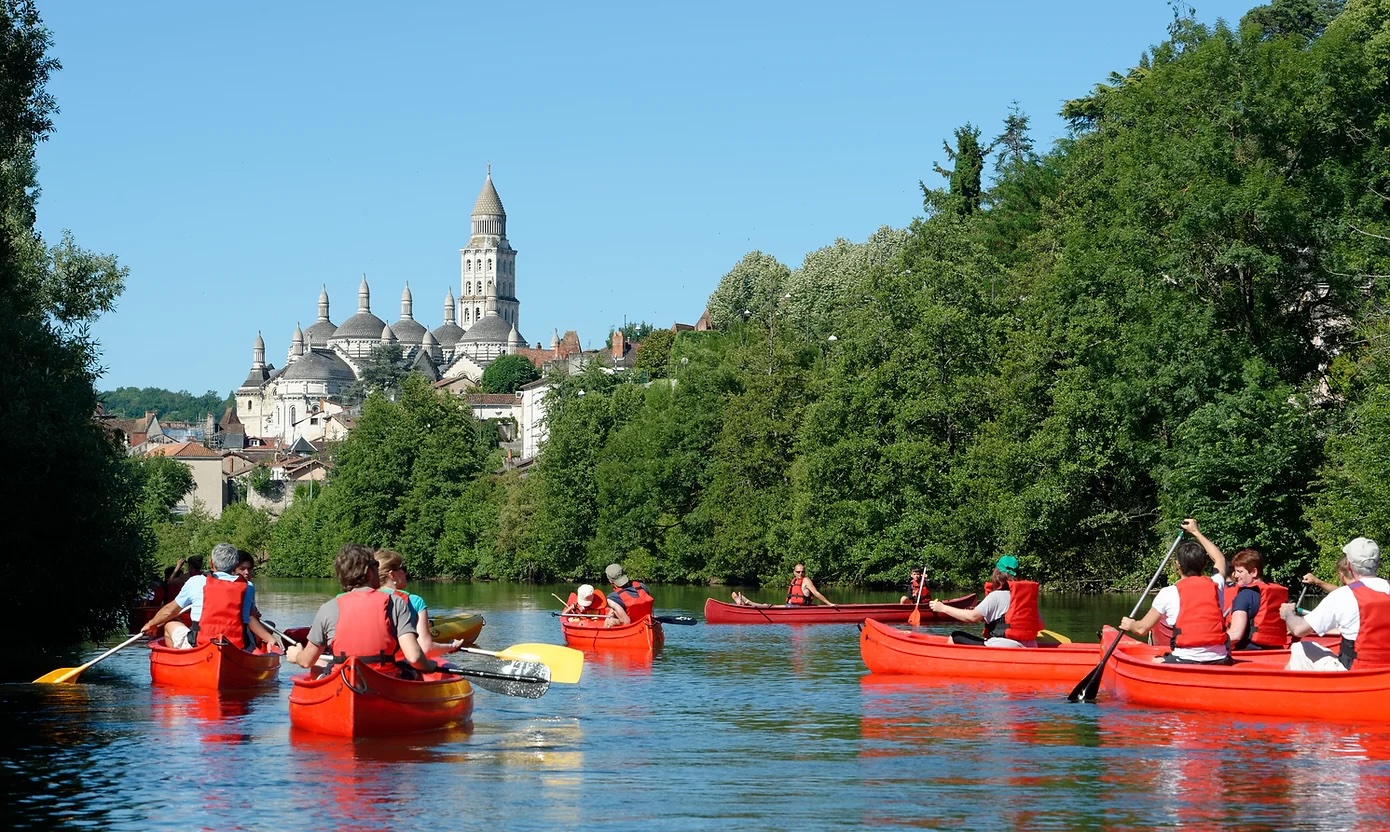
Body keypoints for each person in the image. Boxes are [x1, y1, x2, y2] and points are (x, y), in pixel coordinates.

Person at [288, 543, 437, 678]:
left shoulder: (328, 608)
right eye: (376, 565)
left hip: (344, 680)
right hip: (386, 681)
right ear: (370, 572)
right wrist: (430, 666)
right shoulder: (396, 603)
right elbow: (415, 657)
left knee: (319, 670)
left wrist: (296, 656)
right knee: (415, 675)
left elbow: (306, 661)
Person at [1120, 518, 1230, 664]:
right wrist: (1196, 532)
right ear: (1204, 564)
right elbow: (1219, 559)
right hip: (1220, 659)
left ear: (1178, 565)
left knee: (1155, 661)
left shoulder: (1168, 593)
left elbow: (1141, 629)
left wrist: (1130, 624)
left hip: (1186, 660)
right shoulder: (1217, 585)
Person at [141, 543, 279, 653]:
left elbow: (169, 611)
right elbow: (249, 618)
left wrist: (151, 624)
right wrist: (270, 639)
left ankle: (182, 660)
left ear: (212, 563)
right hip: (236, 645)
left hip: (200, 642)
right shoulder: (247, 586)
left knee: (170, 625)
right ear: (235, 564)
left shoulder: (195, 581)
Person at [1280, 537, 1390, 671]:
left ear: (1349, 565)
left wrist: (1288, 613)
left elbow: (1298, 630)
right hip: (1385, 672)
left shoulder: (1342, 596)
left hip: (1356, 673)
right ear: (1379, 563)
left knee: (1300, 648)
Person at [929, 555, 1043, 647]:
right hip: (1029, 647)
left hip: (1003, 647)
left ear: (997, 575)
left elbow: (972, 617)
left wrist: (942, 608)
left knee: (956, 636)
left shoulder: (995, 596)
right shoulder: (1027, 600)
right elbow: (1014, 623)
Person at [374, 549, 465, 656]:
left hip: (362, 667)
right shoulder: (415, 601)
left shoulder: (361, 599)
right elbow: (426, 648)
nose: (406, 573)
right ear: (392, 575)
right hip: (401, 666)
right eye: (403, 568)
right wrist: (452, 646)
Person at [1223, 548, 1289, 651]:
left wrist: (1211, 642)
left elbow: (1236, 634)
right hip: (1274, 651)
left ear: (1253, 572)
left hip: (1247, 653)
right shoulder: (1276, 593)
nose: (1235, 575)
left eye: (1240, 571)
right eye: (1235, 571)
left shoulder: (1244, 596)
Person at [730, 563, 835, 608]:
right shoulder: (794, 580)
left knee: (769, 606)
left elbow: (816, 593)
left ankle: (747, 602)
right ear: (794, 572)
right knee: (769, 606)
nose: (800, 574)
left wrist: (829, 604)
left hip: (798, 608)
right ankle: (746, 602)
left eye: (802, 572)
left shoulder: (806, 580)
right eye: (798, 572)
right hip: (793, 607)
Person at [604, 562, 655, 627]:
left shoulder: (612, 598)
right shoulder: (642, 587)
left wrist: (614, 621)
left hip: (633, 628)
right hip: (647, 624)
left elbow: (626, 622)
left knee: (609, 620)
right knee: (612, 610)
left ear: (610, 581)